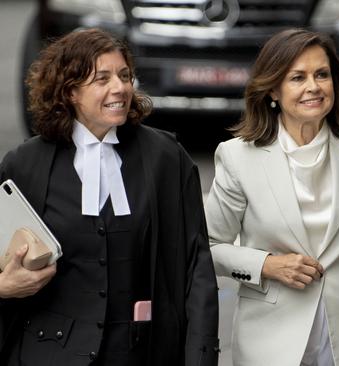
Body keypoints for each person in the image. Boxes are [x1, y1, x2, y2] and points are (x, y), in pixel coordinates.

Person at [0, 28, 219, 365]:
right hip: (44, 353)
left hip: (140, 354)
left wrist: (200, 357)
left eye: (125, 75)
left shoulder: (166, 158)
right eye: (102, 78)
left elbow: (197, 269)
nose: (119, 88)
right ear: (70, 91)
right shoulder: (24, 164)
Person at [205, 28, 339, 366]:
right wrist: (268, 265)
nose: (313, 87)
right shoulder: (237, 157)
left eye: (322, 74)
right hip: (270, 341)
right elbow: (207, 246)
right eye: (297, 78)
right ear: (273, 89)